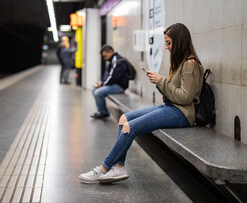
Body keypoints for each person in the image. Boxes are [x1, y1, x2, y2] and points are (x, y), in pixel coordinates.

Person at [79, 23, 204, 184]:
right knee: (124, 119)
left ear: (179, 41)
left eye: (169, 43)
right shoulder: (180, 62)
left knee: (129, 127)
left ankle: (103, 168)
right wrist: (160, 82)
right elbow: (173, 92)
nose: (166, 47)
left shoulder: (189, 64)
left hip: (183, 114)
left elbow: (185, 97)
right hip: (171, 107)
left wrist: (161, 81)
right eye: (166, 43)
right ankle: (118, 167)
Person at [91, 45, 129, 119]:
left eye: (105, 56)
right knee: (94, 90)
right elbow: (107, 75)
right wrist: (102, 83)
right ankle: (101, 111)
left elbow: (113, 77)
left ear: (111, 52)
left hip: (119, 86)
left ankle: (103, 113)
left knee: (98, 93)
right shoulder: (112, 60)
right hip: (113, 85)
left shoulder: (117, 61)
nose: (105, 58)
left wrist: (102, 84)